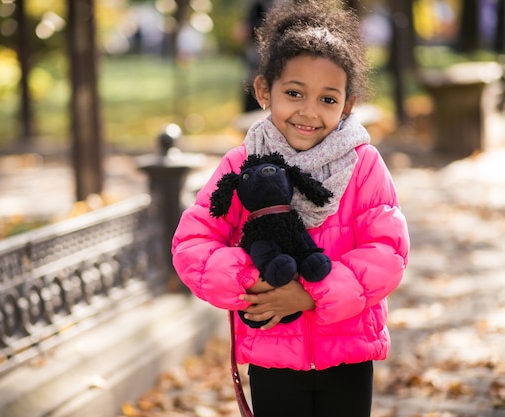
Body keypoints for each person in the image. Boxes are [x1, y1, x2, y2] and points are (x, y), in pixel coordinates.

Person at [171, 0, 410, 416]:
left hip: (347, 349)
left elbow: (387, 252)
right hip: (272, 350)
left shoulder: (362, 164)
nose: (308, 111)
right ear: (265, 91)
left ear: (347, 104)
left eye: (327, 99)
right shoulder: (241, 165)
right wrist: (254, 281)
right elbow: (193, 242)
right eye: (294, 93)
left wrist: (309, 294)